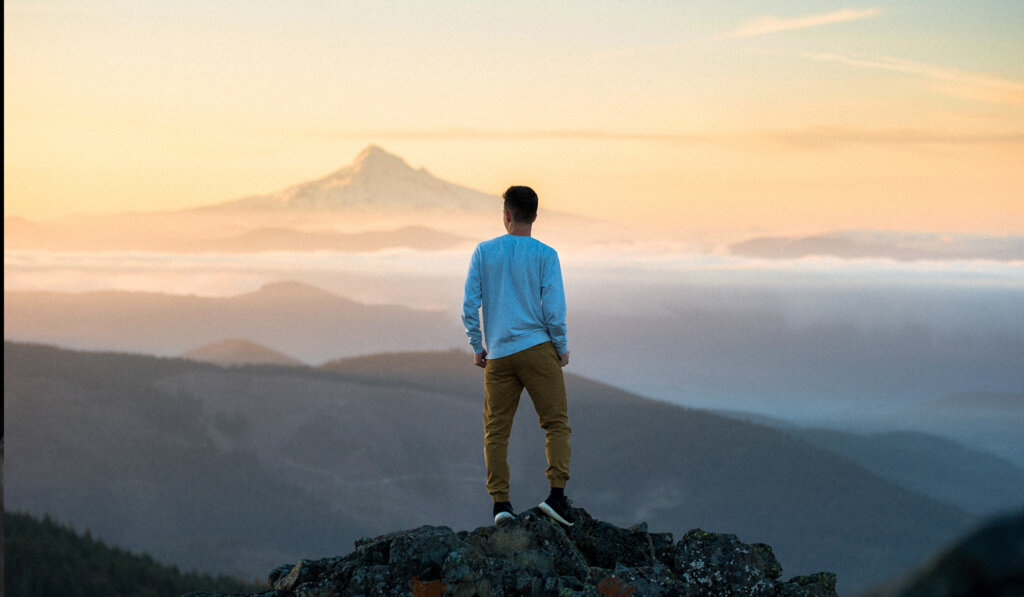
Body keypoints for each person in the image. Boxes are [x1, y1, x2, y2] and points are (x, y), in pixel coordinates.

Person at [461, 185, 575, 527]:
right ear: (535, 216)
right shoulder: (545, 254)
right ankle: (556, 497)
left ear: (506, 214)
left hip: (498, 355)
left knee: (496, 431)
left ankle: (501, 505)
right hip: (537, 349)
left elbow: (469, 306)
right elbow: (553, 311)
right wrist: (561, 347)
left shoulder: (484, 252)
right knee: (555, 423)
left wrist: (477, 345)